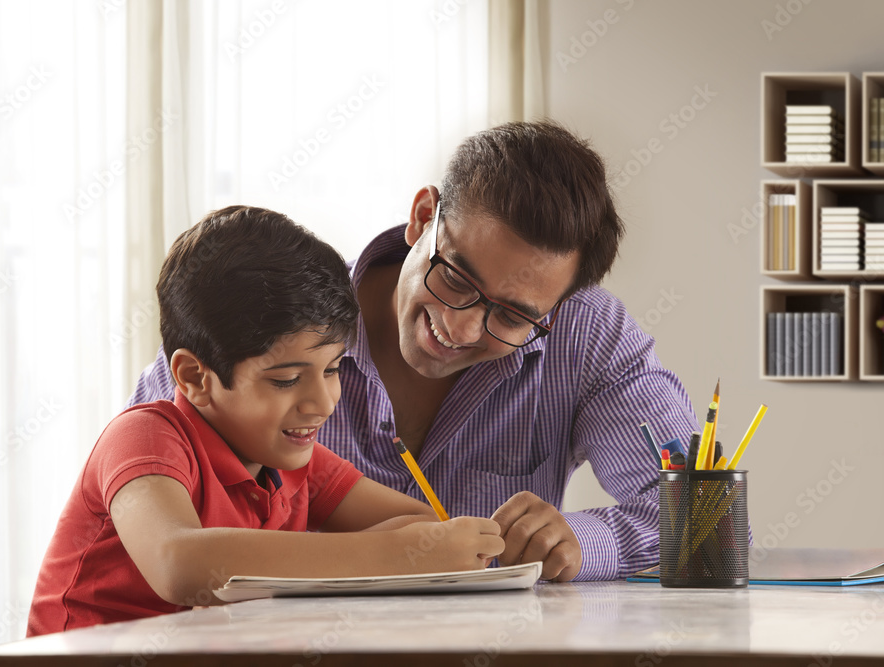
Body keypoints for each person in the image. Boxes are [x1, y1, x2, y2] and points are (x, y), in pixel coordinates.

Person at [128, 121, 699, 583]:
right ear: (424, 216)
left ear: (552, 312)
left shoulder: (585, 334)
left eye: (512, 315)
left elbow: (701, 521)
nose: (460, 326)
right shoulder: (259, 317)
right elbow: (157, 540)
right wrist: (393, 556)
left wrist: (579, 542)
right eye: (455, 277)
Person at [26, 206, 503, 636]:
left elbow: (417, 522)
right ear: (195, 376)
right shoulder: (143, 437)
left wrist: (419, 547)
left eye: (334, 369)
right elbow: (179, 564)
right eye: (287, 379)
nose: (322, 402)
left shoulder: (298, 465)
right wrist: (397, 556)